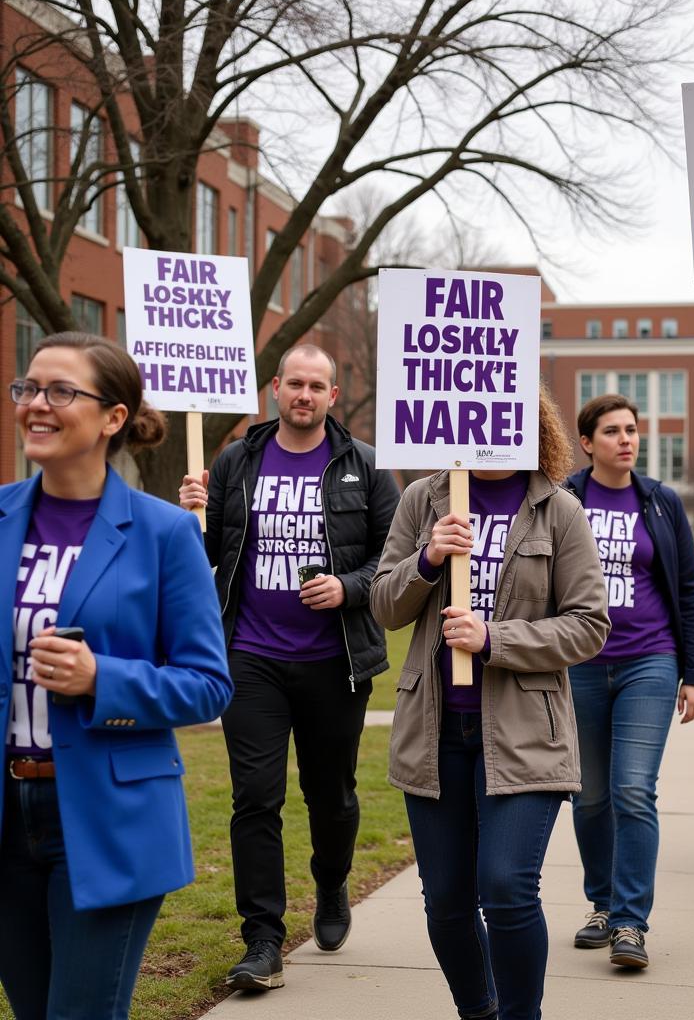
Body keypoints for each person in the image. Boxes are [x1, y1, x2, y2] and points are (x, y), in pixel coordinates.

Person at [0, 332, 232, 1019]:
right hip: (7, 824)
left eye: (61, 391)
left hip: (110, 818)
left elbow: (207, 685)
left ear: (113, 418)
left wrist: (104, 679)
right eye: (29, 388)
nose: (38, 404)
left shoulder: (165, 533)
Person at [369, 386, 609, 1020]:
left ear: (529, 425)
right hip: (435, 733)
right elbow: (383, 606)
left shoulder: (559, 511)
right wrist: (426, 559)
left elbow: (588, 625)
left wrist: (494, 638)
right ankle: (478, 1010)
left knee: (505, 888)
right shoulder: (425, 499)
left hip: (526, 735)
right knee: (446, 901)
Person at [178, 343, 399, 991]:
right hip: (251, 657)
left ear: (334, 396)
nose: (305, 395)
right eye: (294, 383)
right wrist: (189, 507)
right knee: (255, 797)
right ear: (276, 388)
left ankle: (331, 882)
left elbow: (392, 558)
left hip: (336, 661)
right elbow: (207, 552)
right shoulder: (236, 461)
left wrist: (348, 588)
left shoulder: (365, 468)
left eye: (317, 386)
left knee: (330, 795)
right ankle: (264, 939)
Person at [564, 394, 694, 969]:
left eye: (632, 430)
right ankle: (601, 904)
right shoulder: (563, 500)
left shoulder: (661, 502)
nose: (626, 439)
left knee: (631, 789)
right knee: (591, 794)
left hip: (650, 658)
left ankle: (629, 922)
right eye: (613, 431)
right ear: (587, 442)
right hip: (579, 662)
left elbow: (689, 590)